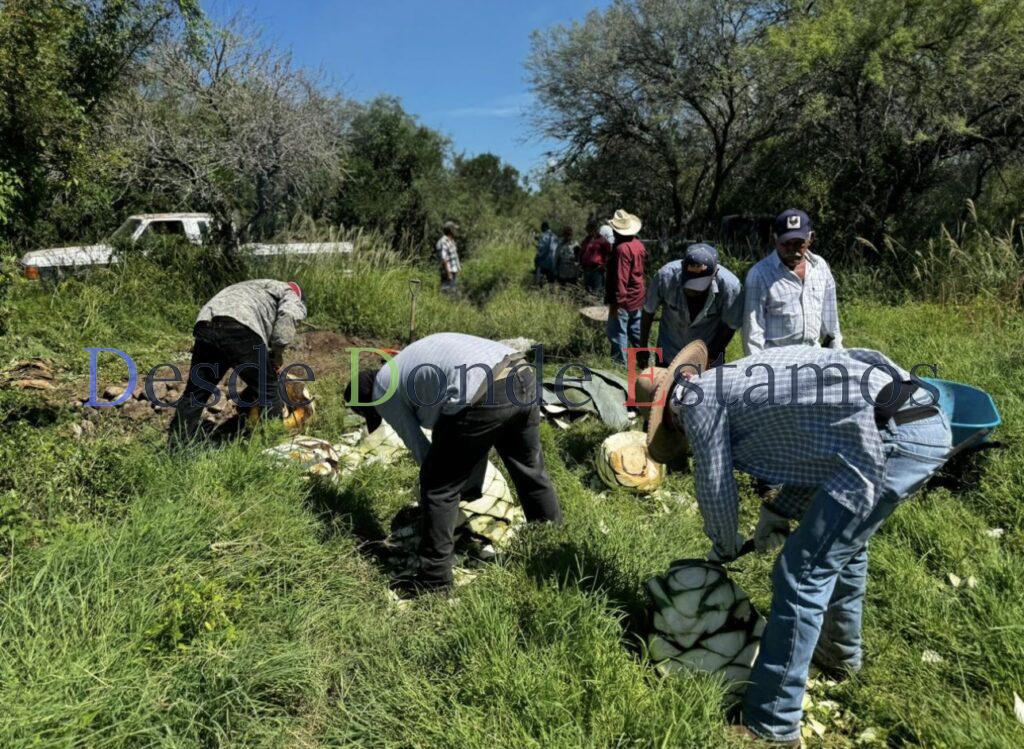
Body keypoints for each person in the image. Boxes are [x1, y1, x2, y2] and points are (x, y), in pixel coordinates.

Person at [645, 343, 951, 746]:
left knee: (800, 574)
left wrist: (723, 547)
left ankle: (772, 724)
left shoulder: (695, 404)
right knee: (843, 549)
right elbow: (815, 444)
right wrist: (779, 511)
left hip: (888, 439)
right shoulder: (740, 376)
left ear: (671, 413)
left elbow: (715, 483)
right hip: (920, 418)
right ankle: (838, 655)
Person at [345, 332, 563, 593]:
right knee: (530, 470)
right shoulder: (407, 366)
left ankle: (435, 580)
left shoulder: (383, 389)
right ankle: (554, 548)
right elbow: (459, 431)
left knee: (437, 486)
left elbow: (422, 448)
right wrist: (467, 483)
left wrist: (447, 490)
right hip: (521, 372)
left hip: (485, 388)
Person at [169, 279, 307, 447]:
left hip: (207, 323)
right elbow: (287, 319)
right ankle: (274, 448)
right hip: (240, 325)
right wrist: (278, 353)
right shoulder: (289, 293)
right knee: (269, 388)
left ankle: (177, 449)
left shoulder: (255, 286)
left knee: (196, 393)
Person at [743, 208, 842, 354]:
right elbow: (753, 334)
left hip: (814, 356)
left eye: (798, 243)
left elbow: (831, 322)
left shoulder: (820, 267)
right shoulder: (759, 275)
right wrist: (758, 370)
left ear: (811, 239)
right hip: (775, 361)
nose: (792, 249)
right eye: (785, 243)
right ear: (774, 239)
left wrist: (838, 355)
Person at [638, 242, 743, 369]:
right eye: (689, 284)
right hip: (669, 354)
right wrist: (642, 347)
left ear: (714, 275)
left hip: (707, 358)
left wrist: (711, 355)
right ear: (682, 268)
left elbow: (730, 326)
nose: (692, 291)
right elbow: (648, 311)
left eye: (699, 286)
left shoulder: (730, 287)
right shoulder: (665, 277)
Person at [605, 209, 647, 364]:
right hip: (637, 297)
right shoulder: (638, 245)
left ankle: (620, 366)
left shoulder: (621, 249)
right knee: (636, 332)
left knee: (618, 334)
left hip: (624, 299)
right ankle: (643, 362)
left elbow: (620, 279)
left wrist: (618, 303)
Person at [579, 219, 611, 297]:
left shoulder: (602, 240)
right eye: (587, 229)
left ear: (595, 228)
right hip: (586, 269)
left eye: (590, 228)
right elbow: (582, 251)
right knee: (587, 292)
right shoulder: (587, 240)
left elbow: (609, 253)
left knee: (597, 292)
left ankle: (597, 307)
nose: (588, 230)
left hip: (597, 269)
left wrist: (603, 265)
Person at [437, 221, 461, 294]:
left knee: (452, 291)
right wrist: (448, 273)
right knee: (447, 291)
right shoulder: (443, 241)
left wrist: (458, 268)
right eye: (454, 229)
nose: (456, 231)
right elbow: (444, 258)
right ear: (451, 230)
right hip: (447, 272)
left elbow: (454, 256)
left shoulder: (451, 241)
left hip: (453, 271)